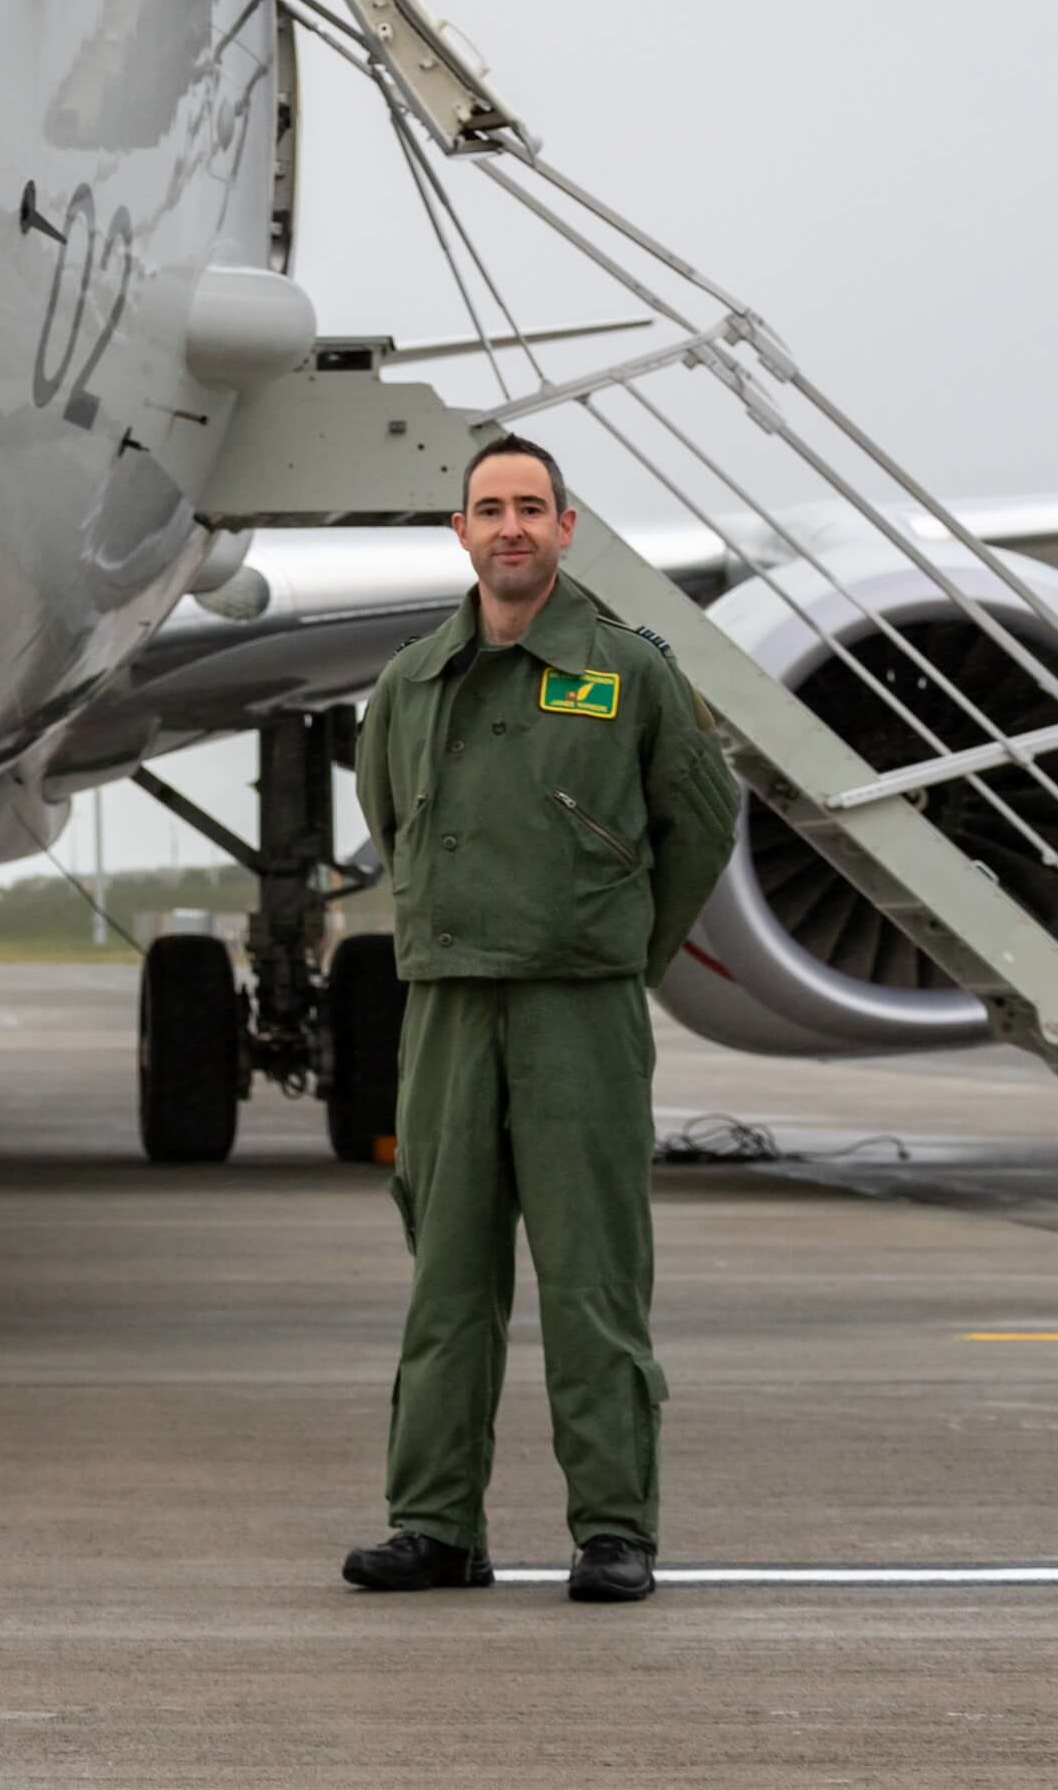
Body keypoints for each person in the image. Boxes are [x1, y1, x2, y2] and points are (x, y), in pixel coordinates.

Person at [340, 433, 738, 1605]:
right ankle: (435, 1528)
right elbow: (390, 814)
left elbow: (700, 822)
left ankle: (615, 1528)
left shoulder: (631, 672)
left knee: (593, 1281)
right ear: (459, 533)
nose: (510, 525)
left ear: (567, 529)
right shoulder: (410, 683)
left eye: (532, 507)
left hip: (581, 1014)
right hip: (449, 1008)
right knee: (446, 1282)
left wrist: (615, 949)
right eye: (488, 508)